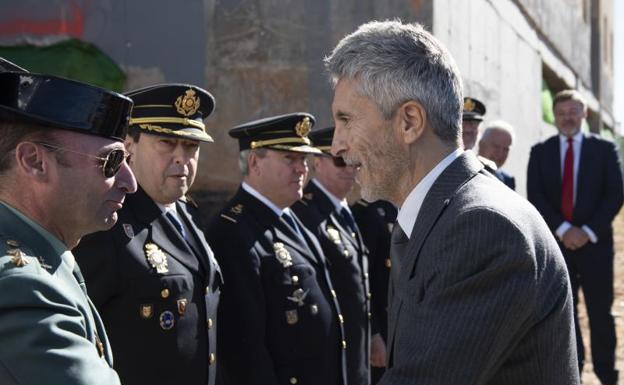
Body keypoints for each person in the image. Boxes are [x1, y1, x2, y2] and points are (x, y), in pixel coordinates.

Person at [325, 20, 579, 384]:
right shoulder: (439, 216)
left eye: (346, 120)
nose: (336, 146)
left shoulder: (482, 226)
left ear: (409, 122)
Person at [73, 84, 222, 385]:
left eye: (191, 147)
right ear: (129, 147)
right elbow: (82, 339)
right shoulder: (106, 223)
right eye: (166, 143)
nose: (182, 158)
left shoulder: (188, 214)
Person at [0, 67, 136, 384]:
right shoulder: (21, 284)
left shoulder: (41, 255)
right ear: (34, 161)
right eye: (112, 162)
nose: (131, 183)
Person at [207, 112, 347, 385]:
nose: (301, 168)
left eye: (304, 160)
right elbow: (243, 349)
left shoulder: (288, 215)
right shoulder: (234, 231)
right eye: (289, 158)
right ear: (254, 162)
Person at [527, 89, 623, 385]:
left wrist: (587, 231)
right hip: (558, 247)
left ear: (584, 114)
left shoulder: (604, 150)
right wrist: (565, 230)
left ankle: (607, 375)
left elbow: (615, 193)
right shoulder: (540, 152)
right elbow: (537, 197)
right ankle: (574, 373)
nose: (567, 118)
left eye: (573, 111)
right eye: (562, 113)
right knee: (565, 313)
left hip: (596, 246)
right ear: (554, 117)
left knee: (600, 313)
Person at [292, 126, 370, 385]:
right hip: (327, 353)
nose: (350, 169)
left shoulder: (345, 210)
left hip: (356, 349)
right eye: (340, 161)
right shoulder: (305, 212)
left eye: (354, 161)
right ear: (318, 163)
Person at [350, 199, 397, 385]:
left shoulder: (399, 208)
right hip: (381, 325)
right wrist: (374, 333)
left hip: (400, 325)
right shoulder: (368, 212)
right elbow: (363, 280)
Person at [478, 120, 516, 190]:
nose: (500, 153)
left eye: (506, 149)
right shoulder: (465, 172)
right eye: (496, 146)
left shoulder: (508, 181)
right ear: (481, 144)